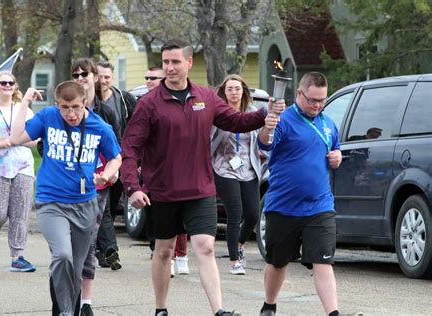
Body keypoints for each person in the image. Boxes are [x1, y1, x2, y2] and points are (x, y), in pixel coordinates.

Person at [121, 38, 284, 316]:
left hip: (200, 188)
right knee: (164, 251)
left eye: (175, 62)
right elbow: (130, 149)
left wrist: (264, 113)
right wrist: (132, 187)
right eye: (165, 62)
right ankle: (161, 308)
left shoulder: (206, 97)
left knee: (206, 247)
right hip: (163, 191)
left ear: (188, 63)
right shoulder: (149, 104)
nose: (169, 68)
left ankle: (219, 310)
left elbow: (236, 121)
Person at [10, 81, 122, 316]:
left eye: (75, 108)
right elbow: (17, 137)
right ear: (56, 105)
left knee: (77, 266)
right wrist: (25, 102)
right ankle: (65, 312)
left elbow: (116, 158)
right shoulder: (49, 117)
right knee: (62, 255)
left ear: (85, 103)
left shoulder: (99, 126)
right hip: (51, 201)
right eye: (65, 107)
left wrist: (106, 175)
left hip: (85, 203)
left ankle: (67, 310)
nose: (71, 114)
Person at [257, 72, 344, 316]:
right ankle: (270, 304)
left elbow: (335, 149)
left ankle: (333, 312)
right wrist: (267, 127)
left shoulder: (328, 124)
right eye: (312, 100)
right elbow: (265, 144)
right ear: (299, 94)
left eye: (322, 100)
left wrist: (337, 157)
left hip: (319, 205)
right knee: (277, 262)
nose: (317, 105)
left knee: (323, 261)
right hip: (284, 206)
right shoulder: (284, 120)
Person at [70, 58, 121, 316]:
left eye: (85, 74)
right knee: (68, 248)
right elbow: (45, 145)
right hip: (66, 188)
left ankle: (85, 302)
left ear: (95, 77)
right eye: (75, 74)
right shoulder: (64, 108)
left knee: (89, 243)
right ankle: (68, 295)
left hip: (96, 187)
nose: (80, 78)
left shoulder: (106, 113)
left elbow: (117, 150)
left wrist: (112, 173)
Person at [0, 72, 37, 273]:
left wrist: (17, 141)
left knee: (21, 213)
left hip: (23, 165)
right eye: (3, 83)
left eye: (11, 82)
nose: (7, 85)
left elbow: (35, 138)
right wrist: (4, 143)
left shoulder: (23, 110)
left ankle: (17, 257)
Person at [211, 74, 263, 275]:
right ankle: (234, 260)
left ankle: (239, 243)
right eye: (230, 89)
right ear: (224, 92)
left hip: (248, 169)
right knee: (235, 212)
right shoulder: (219, 113)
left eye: (237, 88)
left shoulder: (253, 113)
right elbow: (209, 138)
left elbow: (262, 140)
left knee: (252, 214)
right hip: (224, 167)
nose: (234, 92)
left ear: (244, 91)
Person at [143, 65, 190, 277]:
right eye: (147, 78)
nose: (150, 81)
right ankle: (164, 256)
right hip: (156, 173)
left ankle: (181, 255)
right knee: (159, 221)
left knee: (182, 219)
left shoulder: (183, 100)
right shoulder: (145, 103)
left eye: (154, 77)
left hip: (183, 168)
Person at [95, 60, 136, 270]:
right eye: (99, 76)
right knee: (102, 210)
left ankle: (100, 248)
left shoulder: (123, 99)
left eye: (107, 77)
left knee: (108, 207)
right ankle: (107, 251)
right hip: (95, 162)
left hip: (118, 158)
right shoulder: (88, 102)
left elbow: (136, 124)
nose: (103, 81)